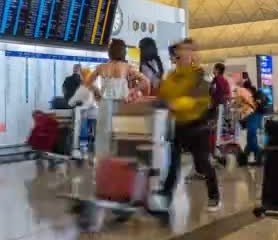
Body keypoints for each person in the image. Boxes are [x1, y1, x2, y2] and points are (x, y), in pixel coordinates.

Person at [158, 39, 221, 212]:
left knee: (202, 163)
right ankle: (165, 196)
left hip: (198, 126)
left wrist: (175, 104)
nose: (184, 55)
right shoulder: (171, 77)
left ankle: (214, 195)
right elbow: (164, 95)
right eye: (180, 52)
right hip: (178, 125)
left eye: (188, 51)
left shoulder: (200, 75)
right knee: (173, 163)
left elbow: (200, 100)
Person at [87, 39, 150, 156]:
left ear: (110, 52)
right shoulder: (127, 67)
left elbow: (87, 82)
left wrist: (97, 91)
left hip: (105, 106)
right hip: (122, 106)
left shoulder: (101, 67)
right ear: (123, 52)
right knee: (121, 139)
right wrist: (132, 90)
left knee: (104, 138)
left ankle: (103, 166)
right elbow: (146, 81)